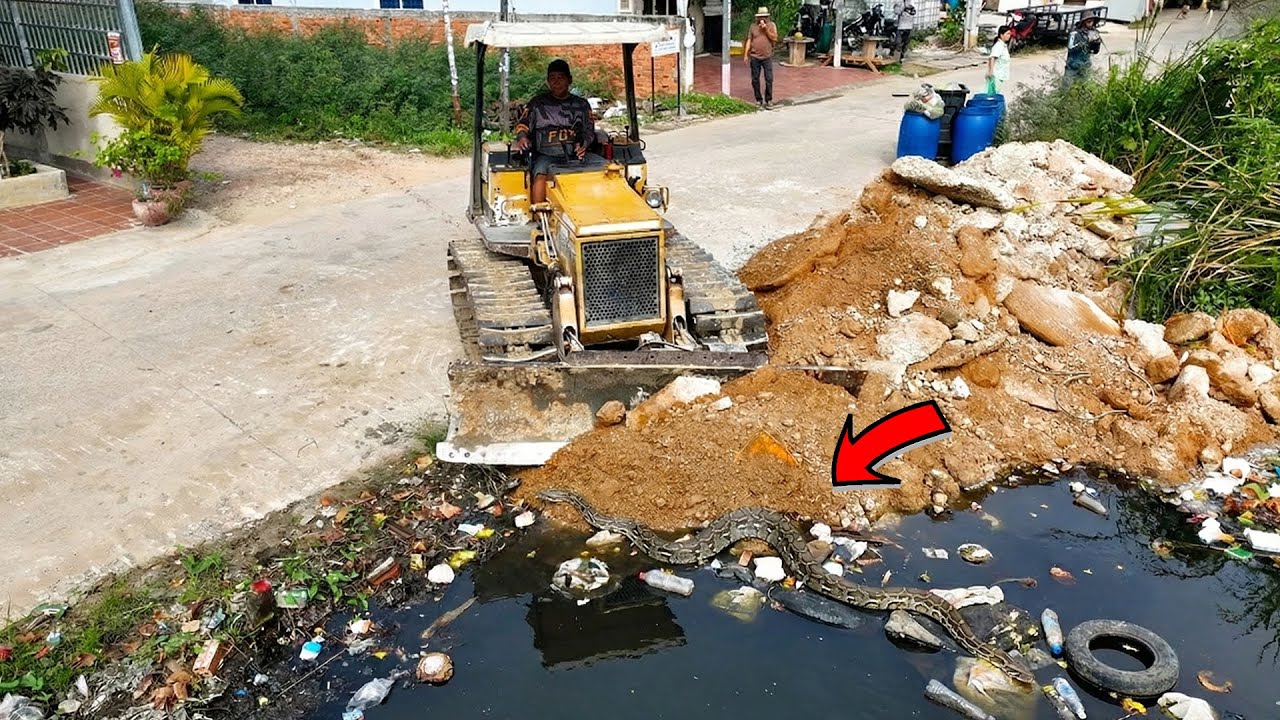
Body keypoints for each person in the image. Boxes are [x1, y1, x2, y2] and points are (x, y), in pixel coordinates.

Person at [513, 58, 601, 205]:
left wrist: (584, 145)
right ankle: (539, 213)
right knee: (540, 172)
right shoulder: (537, 103)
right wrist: (522, 137)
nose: (556, 82)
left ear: (569, 80)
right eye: (552, 78)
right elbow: (523, 124)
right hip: (546, 155)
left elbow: (589, 130)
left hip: (575, 155)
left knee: (606, 167)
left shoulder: (581, 104)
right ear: (548, 81)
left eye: (560, 78)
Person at [743, 6, 778, 109]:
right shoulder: (753, 26)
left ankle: (769, 99)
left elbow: (775, 38)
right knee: (755, 79)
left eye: (764, 17)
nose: (762, 19)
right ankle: (758, 99)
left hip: (767, 56)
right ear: (757, 18)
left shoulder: (771, 25)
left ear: (767, 17)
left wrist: (766, 29)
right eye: (760, 17)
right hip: (755, 56)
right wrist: (746, 53)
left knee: (769, 78)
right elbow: (749, 39)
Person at [1063, 14, 1101, 87]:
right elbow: (1071, 48)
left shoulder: (1094, 33)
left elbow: (1095, 51)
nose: (1090, 22)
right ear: (1083, 22)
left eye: (1092, 21)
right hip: (1072, 66)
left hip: (1085, 65)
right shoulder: (1075, 33)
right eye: (1088, 20)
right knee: (1067, 87)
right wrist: (1085, 43)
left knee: (1084, 87)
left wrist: (1096, 45)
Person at [986, 25, 1012, 94]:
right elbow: (992, 58)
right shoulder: (999, 45)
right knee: (993, 94)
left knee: (995, 92)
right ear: (1001, 35)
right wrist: (990, 71)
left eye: (1010, 34)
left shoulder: (1003, 45)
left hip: (1000, 75)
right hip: (996, 75)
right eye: (1007, 34)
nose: (1009, 36)